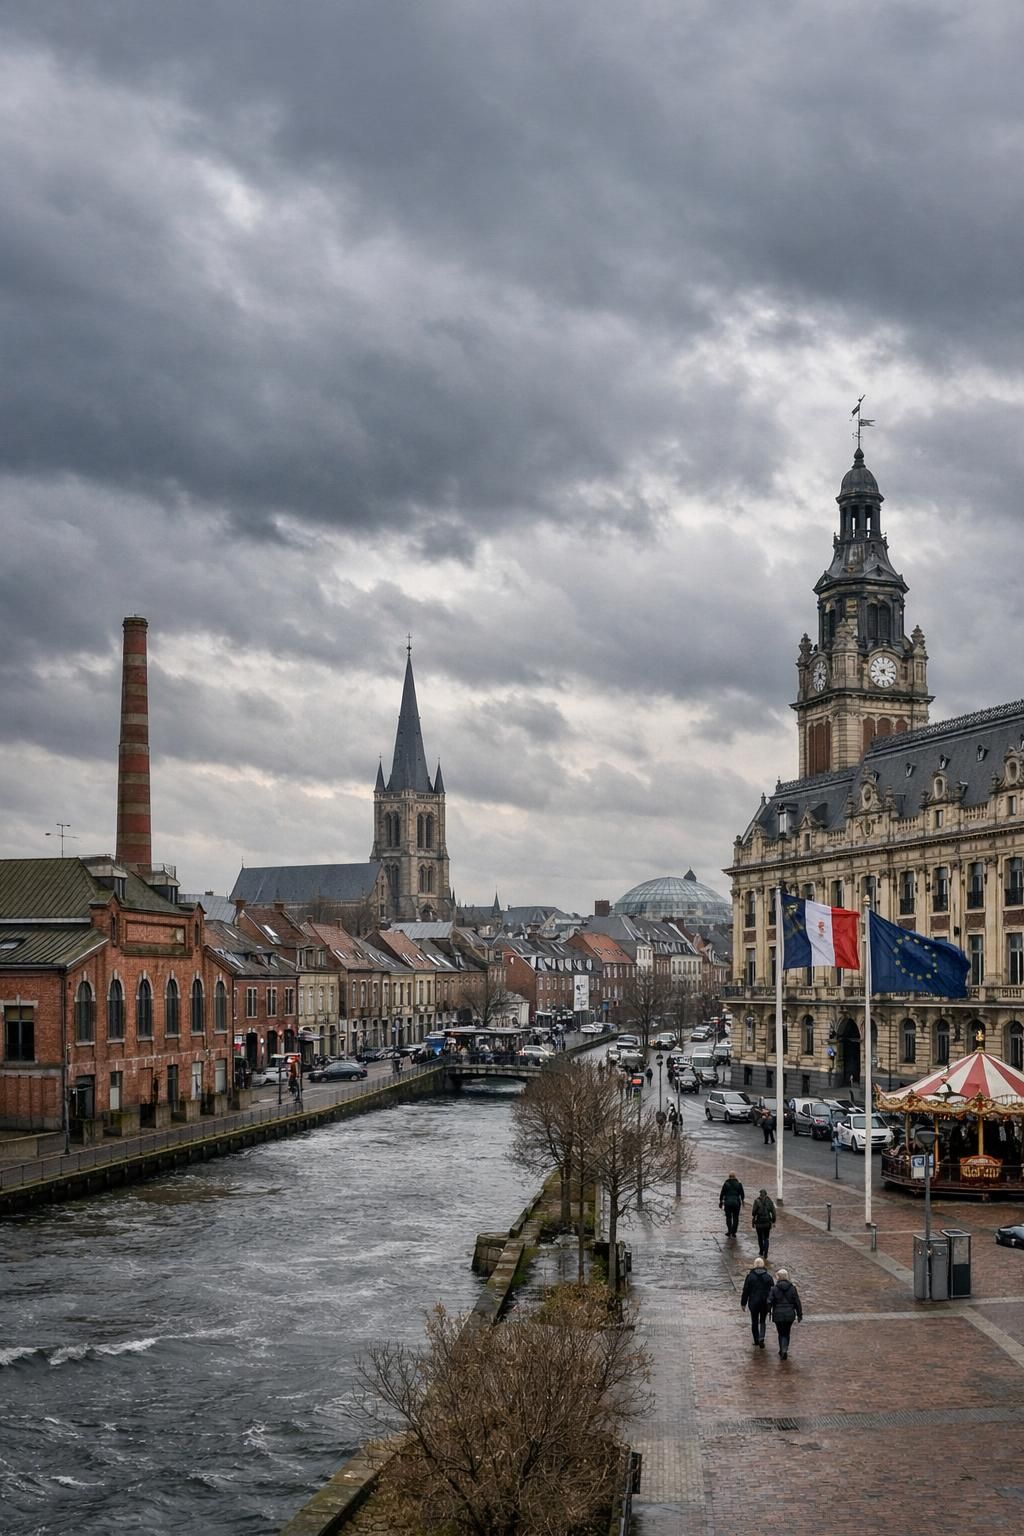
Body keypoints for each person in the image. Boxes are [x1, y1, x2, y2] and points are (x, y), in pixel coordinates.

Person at [768, 1267, 803, 1359]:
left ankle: (782, 1349)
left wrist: (769, 1310)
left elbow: (769, 1301)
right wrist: (799, 1314)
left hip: (778, 1313)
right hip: (789, 1313)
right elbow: (797, 1302)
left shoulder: (774, 1289)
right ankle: (784, 1349)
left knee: (780, 1332)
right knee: (787, 1332)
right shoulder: (792, 1288)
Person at [740, 1256, 774, 1347]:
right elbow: (772, 1291)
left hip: (754, 1302)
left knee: (754, 1321)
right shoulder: (768, 1277)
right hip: (764, 1302)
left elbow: (746, 1291)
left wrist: (743, 1303)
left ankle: (756, 1339)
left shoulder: (750, 1277)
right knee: (762, 1320)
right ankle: (761, 1337)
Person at [751, 1187, 776, 1258]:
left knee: (760, 1238)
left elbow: (753, 1213)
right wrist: (773, 1221)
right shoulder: (770, 1201)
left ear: (760, 1194)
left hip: (759, 1223)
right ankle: (766, 1252)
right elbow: (774, 1213)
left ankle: (761, 1251)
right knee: (766, 1238)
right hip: (767, 1223)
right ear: (766, 1194)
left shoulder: (756, 1201)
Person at [719, 1171, 745, 1237]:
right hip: (736, 1203)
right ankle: (734, 1232)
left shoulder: (726, 1184)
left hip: (727, 1203)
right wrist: (742, 1200)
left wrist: (721, 1201)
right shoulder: (739, 1184)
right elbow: (742, 1194)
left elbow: (722, 1193)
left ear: (729, 1177)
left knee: (728, 1217)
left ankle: (729, 1231)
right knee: (736, 1217)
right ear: (735, 1177)